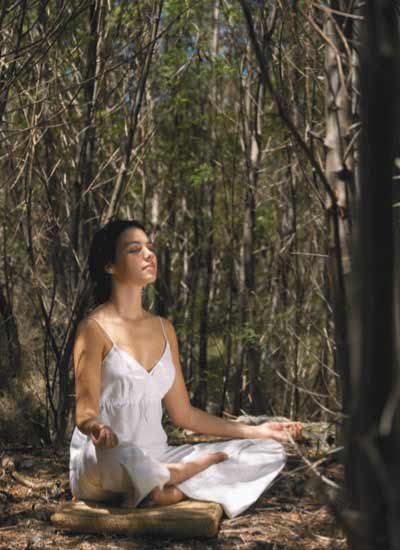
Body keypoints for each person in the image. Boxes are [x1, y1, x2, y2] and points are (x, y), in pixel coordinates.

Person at [69, 219, 302, 518]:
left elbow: (185, 415)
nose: (148, 255)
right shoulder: (93, 328)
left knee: (267, 451)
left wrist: (255, 431)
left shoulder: (164, 329)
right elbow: (84, 412)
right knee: (122, 456)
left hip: (158, 456)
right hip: (104, 460)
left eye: (150, 248)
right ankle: (178, 476)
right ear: (110, 266)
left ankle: (171, 490)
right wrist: (97, 428)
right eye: (134, 250)